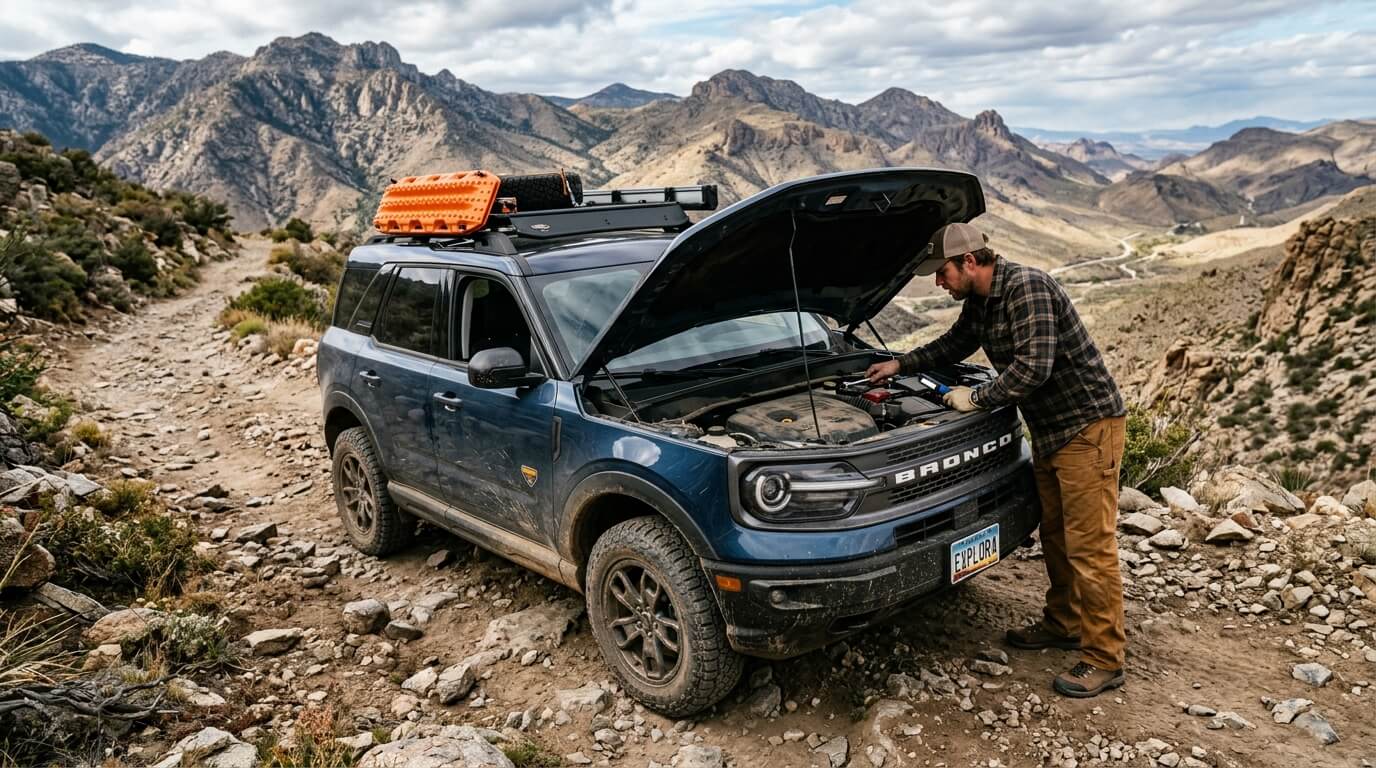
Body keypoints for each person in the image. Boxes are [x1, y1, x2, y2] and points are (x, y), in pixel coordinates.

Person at [865, 222, 1129, 698]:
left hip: (1088, 429)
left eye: (942, 273)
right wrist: (900, 365)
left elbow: (1034, 366)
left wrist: (977, 398)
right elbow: (953, 345)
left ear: (970, 261)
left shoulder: (1028, 287)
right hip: (1051, 433)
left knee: (1090, 548)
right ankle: (1064, 622)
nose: (938, 283)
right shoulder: (980, 302)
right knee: (1056, 535)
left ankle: (1104, 658)